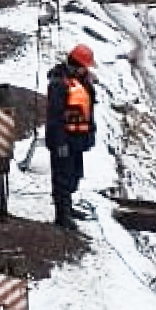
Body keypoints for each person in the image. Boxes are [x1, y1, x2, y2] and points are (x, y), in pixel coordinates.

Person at [44, 43, 98, 230]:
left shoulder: (79, 81)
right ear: (77, 65)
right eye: (86, 67)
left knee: (74, 175)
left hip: (77, 139)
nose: (87, 70)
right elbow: (55, 117)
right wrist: (59, 143)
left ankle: (68, 208)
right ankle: (62, 215)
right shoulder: (59, 84)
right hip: (64, 139)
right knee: (63, 177)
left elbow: (86, 107)